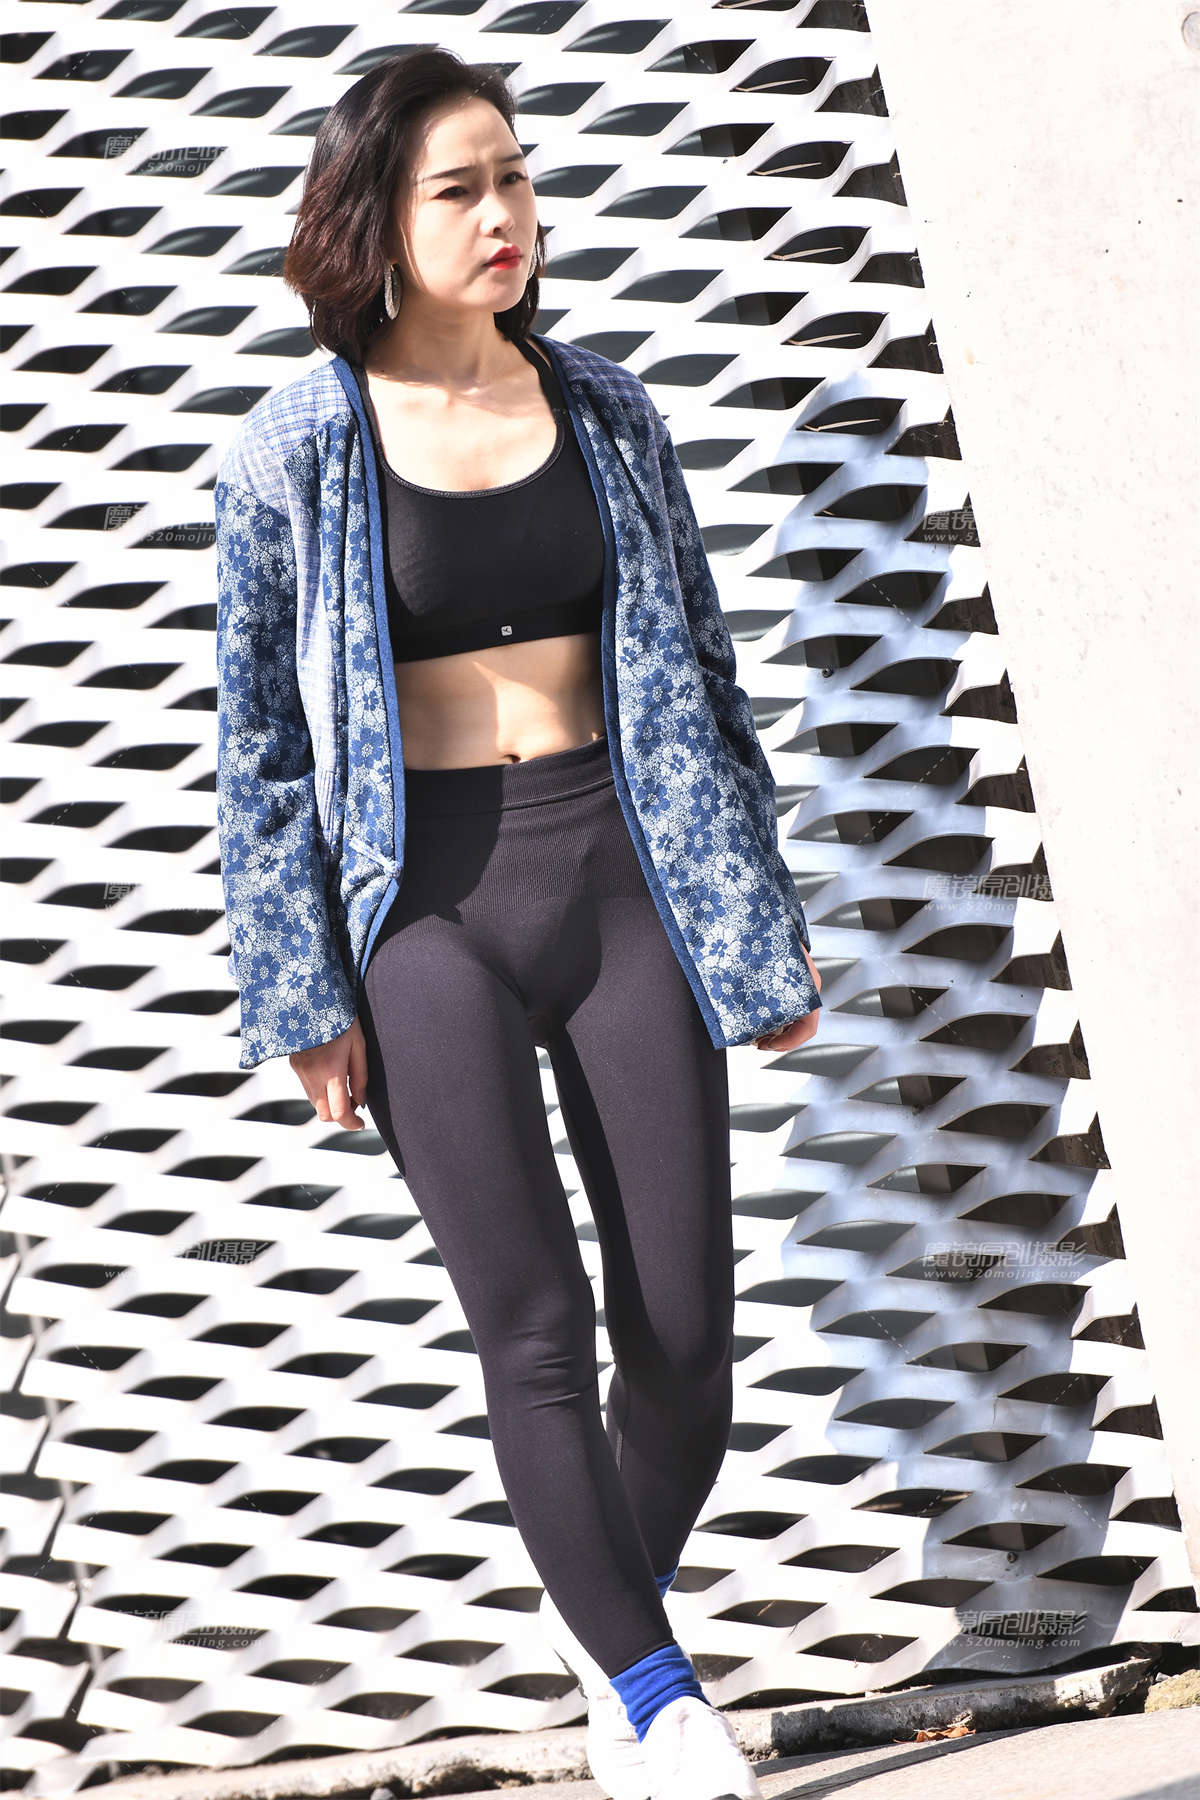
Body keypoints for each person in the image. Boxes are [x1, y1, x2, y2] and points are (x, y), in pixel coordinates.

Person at [213, 46, 821, 1800]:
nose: (505, 215)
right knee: (533, 1328)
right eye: (460, 189)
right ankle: (656, 1699)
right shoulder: (294, 449)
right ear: (375, 223)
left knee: (685, 1344)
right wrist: (302, 993)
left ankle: (603, 1619)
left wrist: (756, 915)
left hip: (624, 877)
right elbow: (258, 746)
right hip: (428, 918)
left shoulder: (610, 410)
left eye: (517, 177)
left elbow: (702, 669)